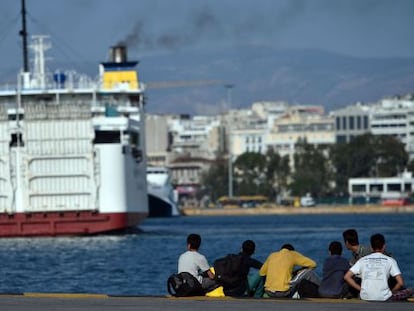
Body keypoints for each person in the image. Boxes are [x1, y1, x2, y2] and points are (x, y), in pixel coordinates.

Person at [344, 233, 413, 301]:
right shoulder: (390, 260)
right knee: (410, 290)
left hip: (365, 296)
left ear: (371, 247)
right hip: (385, 298)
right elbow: (400, 283)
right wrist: (392, 292)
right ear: (384, 246)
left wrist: (361, 289)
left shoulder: (362, 260)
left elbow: (347, 277)